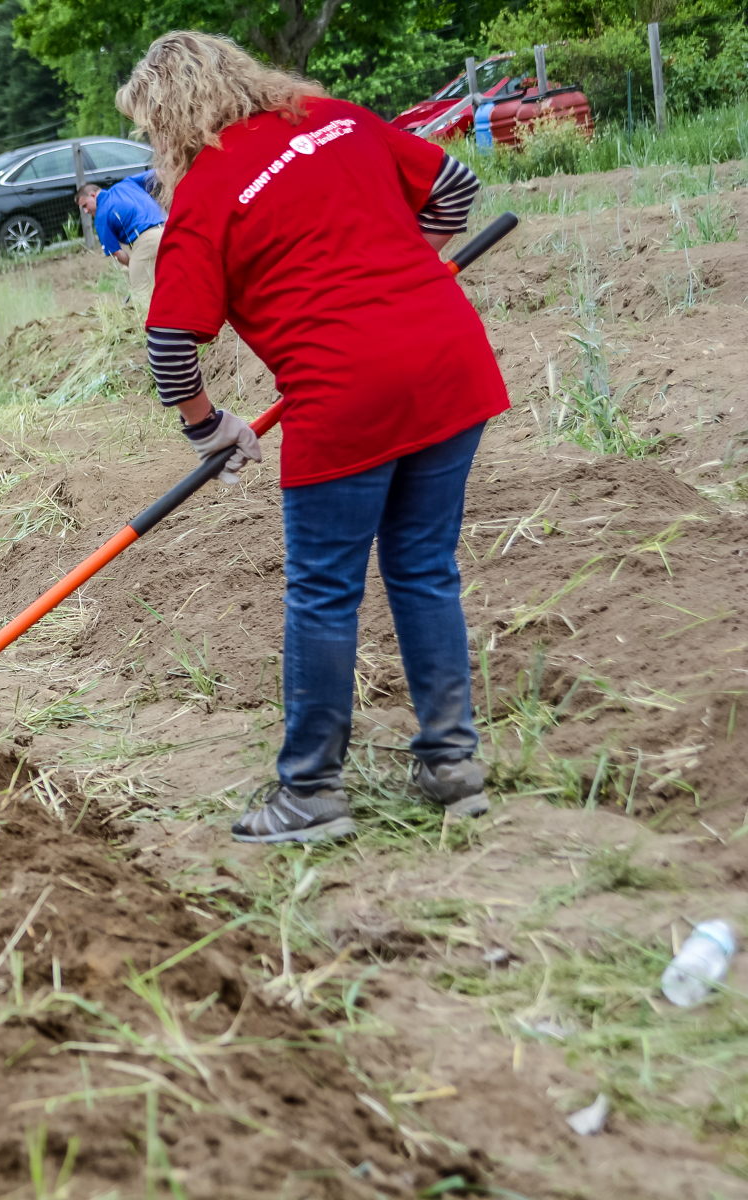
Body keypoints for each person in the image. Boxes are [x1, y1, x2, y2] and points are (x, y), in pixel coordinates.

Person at [125, 31, 500, 843]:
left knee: (325, 593)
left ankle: (310, 793)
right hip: (447, 357)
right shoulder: (335, 118)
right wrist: (413, 271)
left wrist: (207, 428)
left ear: (167, 116)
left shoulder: (207, 190)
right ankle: (451, 764)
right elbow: (456, 184)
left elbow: (168, 346)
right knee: (424, 568)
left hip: (345, 392)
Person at [76, 170, 167, 308]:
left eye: (85, 206)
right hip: (168, 230)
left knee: (140, 291)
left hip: (146, 240)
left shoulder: (101, 216)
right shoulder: (127, 183)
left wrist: (134, 266)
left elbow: (117, 253)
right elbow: (158, 173)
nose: (86, 212)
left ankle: (145, 326)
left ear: (93, 195)